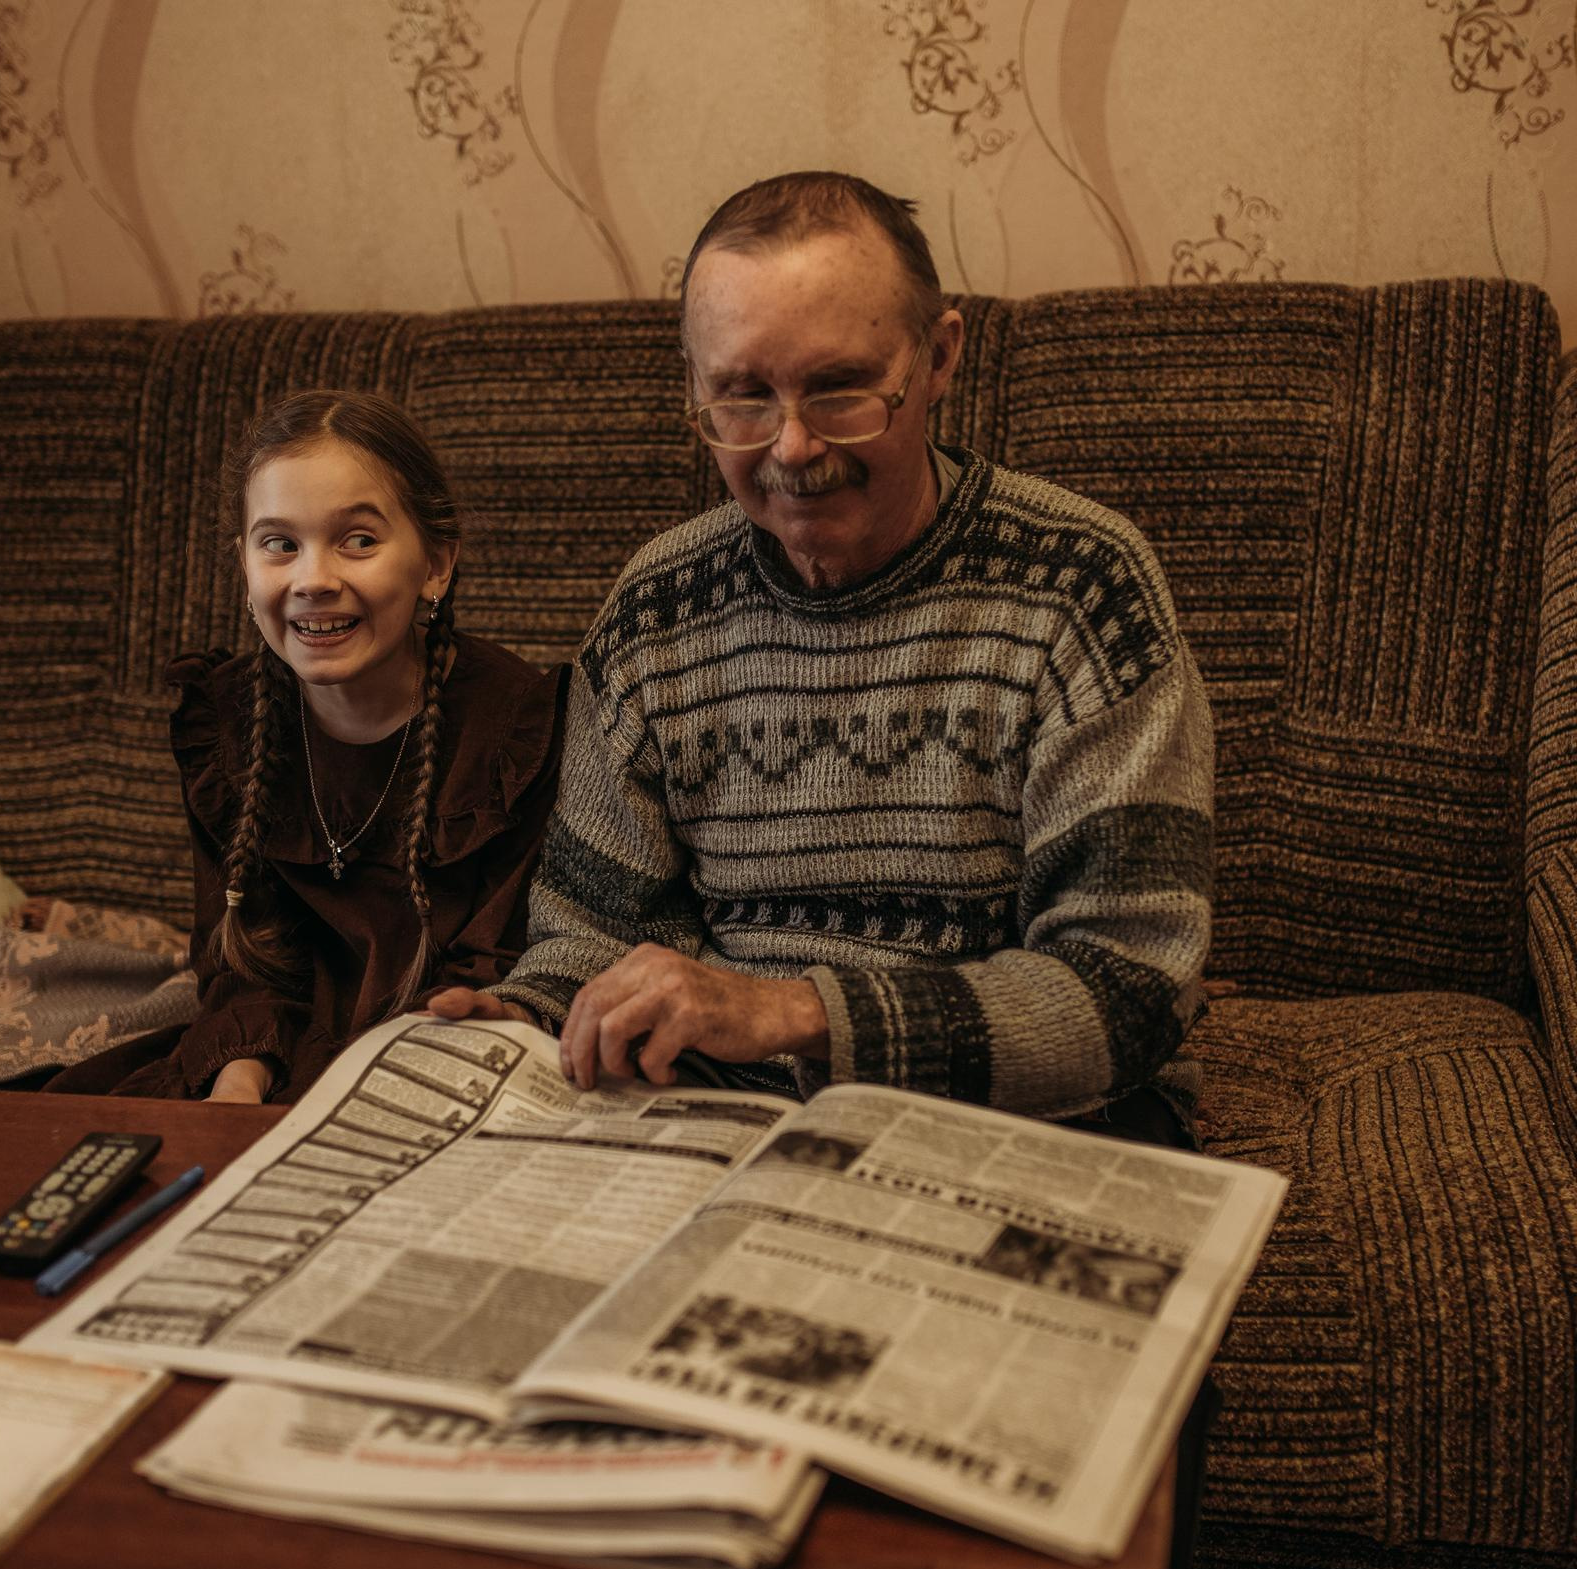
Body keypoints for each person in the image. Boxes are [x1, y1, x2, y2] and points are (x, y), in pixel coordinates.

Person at [431, 172, 1215, 1141]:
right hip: (716, 1114)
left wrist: (795, 1012)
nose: (793, 449)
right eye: (744, 397)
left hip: (1007, 1120)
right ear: (694, 388)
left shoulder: (1082, 589)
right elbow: (595, 933)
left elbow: (1129, 990)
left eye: (838, 390)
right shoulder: (652, 611)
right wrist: (529, 1018)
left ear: (937, 357)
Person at [51, 390, 565, 1104]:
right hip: (270, 1055)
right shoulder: (226, 723)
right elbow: (243, 960)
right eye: (280, 545)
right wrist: (238, 1086)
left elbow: (499, 966)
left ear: (437, 564)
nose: (314, 580)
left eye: (358, 539)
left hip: (436, 1065)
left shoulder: (513, 732)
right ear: (244, 562)